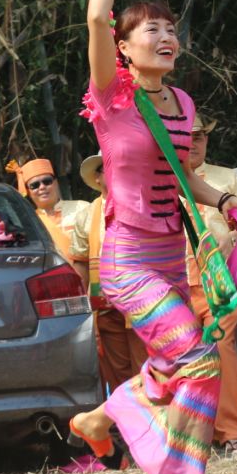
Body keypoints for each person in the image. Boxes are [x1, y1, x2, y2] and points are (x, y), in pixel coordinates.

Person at [68, 0, 237, 474]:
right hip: (126, 260)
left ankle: (103, 416)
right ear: (122, 45)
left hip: (173, 254)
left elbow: (184, 175)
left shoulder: (184, 104)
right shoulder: (112, 96)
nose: (167, 37)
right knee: (200, 362)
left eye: (171, 29)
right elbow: (95, 16)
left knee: (181, 365)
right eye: (151, 29)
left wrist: (225, 199)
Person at [185, 113, 237, 455]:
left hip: (219, 281)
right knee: (183, 358)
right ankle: (189, 437)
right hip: (177, 281)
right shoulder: (163, 177)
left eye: (199, 136)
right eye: (187, 137)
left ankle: (233, 435)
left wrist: (230, 239)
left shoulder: (226, 178)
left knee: (223, 350)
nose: (194, 143)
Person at [69, 153, 148, 397]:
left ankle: (155, 427)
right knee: (118, 374)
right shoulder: (87, 215)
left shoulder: (143, 205)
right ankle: (127, 427)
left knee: (147, 369)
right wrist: (81, 312)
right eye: (109, 168)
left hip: (143, 304)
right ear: (98, 176)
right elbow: (80, 265)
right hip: (105, 307)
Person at [7, 158, 88, 262]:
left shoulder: (82, 208)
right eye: (35, 185)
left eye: (47, 181)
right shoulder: (28, 222)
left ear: (55, 183)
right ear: (28, 191)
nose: (42, 187)